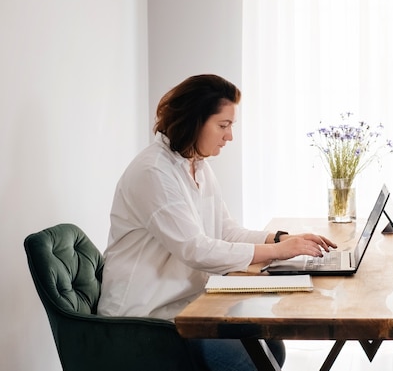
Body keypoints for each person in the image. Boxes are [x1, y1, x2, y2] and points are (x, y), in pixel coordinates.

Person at [97, 74, 337, 371]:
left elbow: (225, 230)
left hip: (189, 306)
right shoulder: (154, 172)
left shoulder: (196, 165)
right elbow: (197, 250)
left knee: (270, 347)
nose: (230, 136)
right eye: (223, 125)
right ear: (194, 121)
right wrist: (279, 252)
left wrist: (281, 238)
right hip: (148, 319)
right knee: (253, 360)